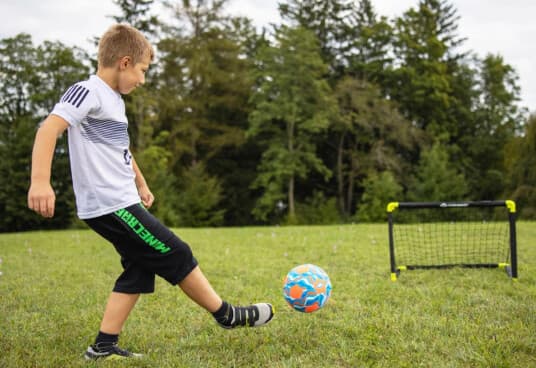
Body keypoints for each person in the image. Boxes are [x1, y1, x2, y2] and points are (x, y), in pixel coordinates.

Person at [27, 23, 274, 361]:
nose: (143, 80)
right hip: (110, 204)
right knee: (177, 253)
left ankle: (103, 346)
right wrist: (40, 180)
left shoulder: (114, 101)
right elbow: (49, 129)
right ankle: (226, 315)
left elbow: (121, 150)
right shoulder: (87, 91)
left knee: (139, 268)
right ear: (125, 62)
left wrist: (140, 182)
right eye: (143, 71)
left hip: (123, 198)